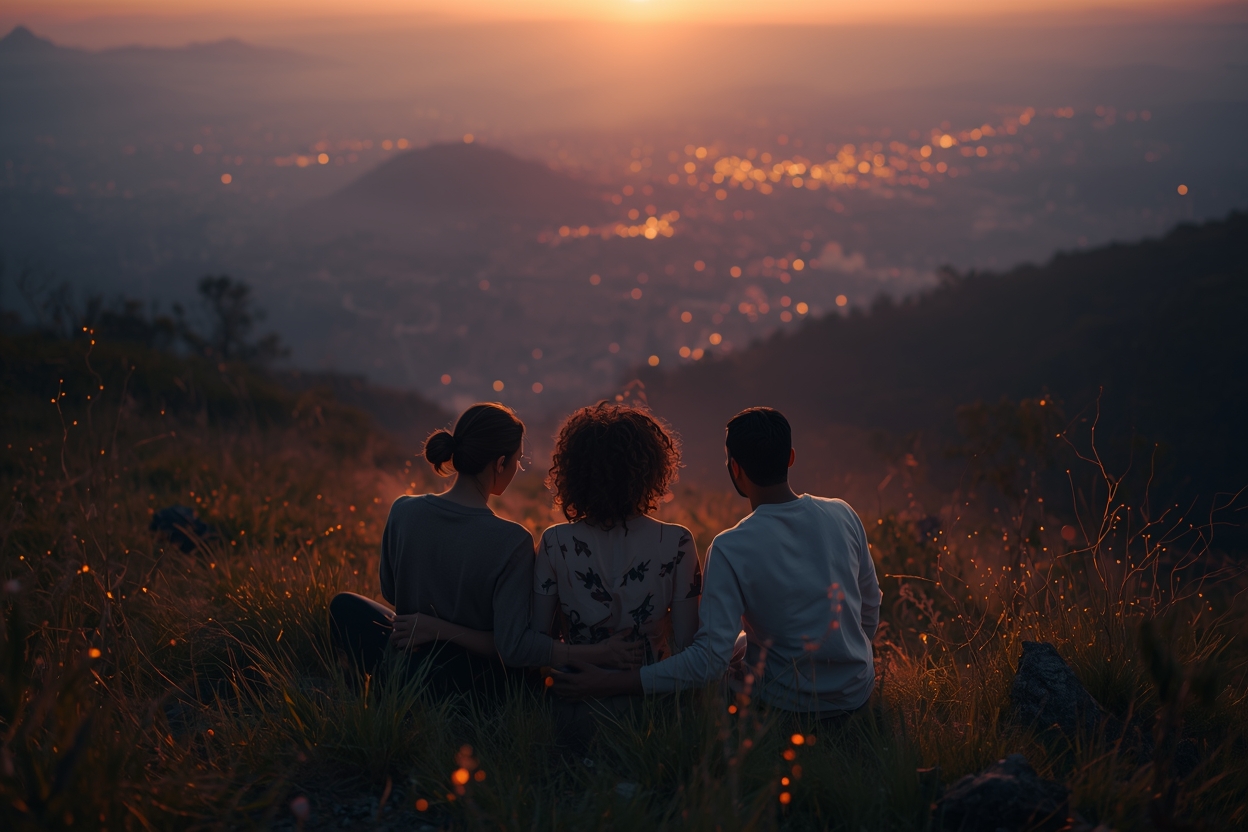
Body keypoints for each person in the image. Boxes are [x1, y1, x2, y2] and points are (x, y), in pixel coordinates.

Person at [553, 407, 881, 718]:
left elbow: (708, 661)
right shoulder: (843, 513)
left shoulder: (730, 546)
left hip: (785, 706)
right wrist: (846, 663)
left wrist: (606, 683)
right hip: (856, 693)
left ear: (734, 468)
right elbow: (869, 603)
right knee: (740, 643)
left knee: (721, 666)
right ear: (791, 458)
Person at [329, 402, 636, 696]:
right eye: (517, 460)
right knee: (482, 670)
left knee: (345, 606)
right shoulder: (511, 540)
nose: (516, 468)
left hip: (411, 651)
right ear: (499, 463)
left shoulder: (403, 510)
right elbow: (511, 647)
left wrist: (434, 624)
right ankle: (415, 682)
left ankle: (385, 681)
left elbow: (392, 593)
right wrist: (598, 652)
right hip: (470, 679)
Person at [534, 402, 701, 664]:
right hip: (651, 696)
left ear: (574, 471)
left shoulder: (555, 542)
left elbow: (539, 640)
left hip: (577, 694)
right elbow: (687, 646)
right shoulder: (677, 542)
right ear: (650, 470)